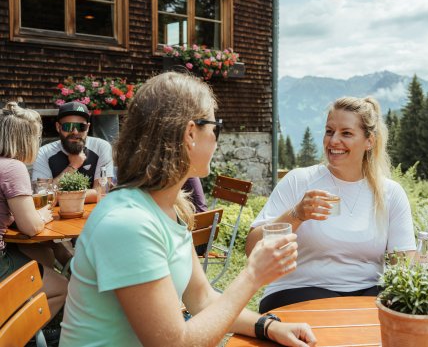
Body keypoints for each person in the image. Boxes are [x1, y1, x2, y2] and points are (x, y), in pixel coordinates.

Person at [59, 72, 316, 347]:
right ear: (191, 133)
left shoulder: (168, 207)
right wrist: (252, 276)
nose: (217, 139)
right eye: (215, 126)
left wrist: (267, 326)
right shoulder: (128, 223)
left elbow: (202, 298)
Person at [245, 96, 416, 313]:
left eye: (346, 133)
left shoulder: (390, 193)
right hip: (297, 290)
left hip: (369, 295)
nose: (333, 140)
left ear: (369, 141)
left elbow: (405, 266)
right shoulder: (300, 180)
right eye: (329, 131)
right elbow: (252, 248)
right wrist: (296, 214)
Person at [0, 102, 69, 341]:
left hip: (8, 248)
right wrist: (41, 215)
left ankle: (24, 323)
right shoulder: (13, 167)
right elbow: (30, 226)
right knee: (61, 286)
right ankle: (20, 334)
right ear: (26, 139)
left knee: (44, 254)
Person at [32, 101, 114, 203]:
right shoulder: (43, 153)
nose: (75, 132)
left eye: (81, 127)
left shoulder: (101, 147)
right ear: (58, 127)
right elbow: (41, 197)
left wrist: (56, 196)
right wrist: (72, 166)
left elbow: (101, 192)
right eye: (68, 126)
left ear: (87, 128)